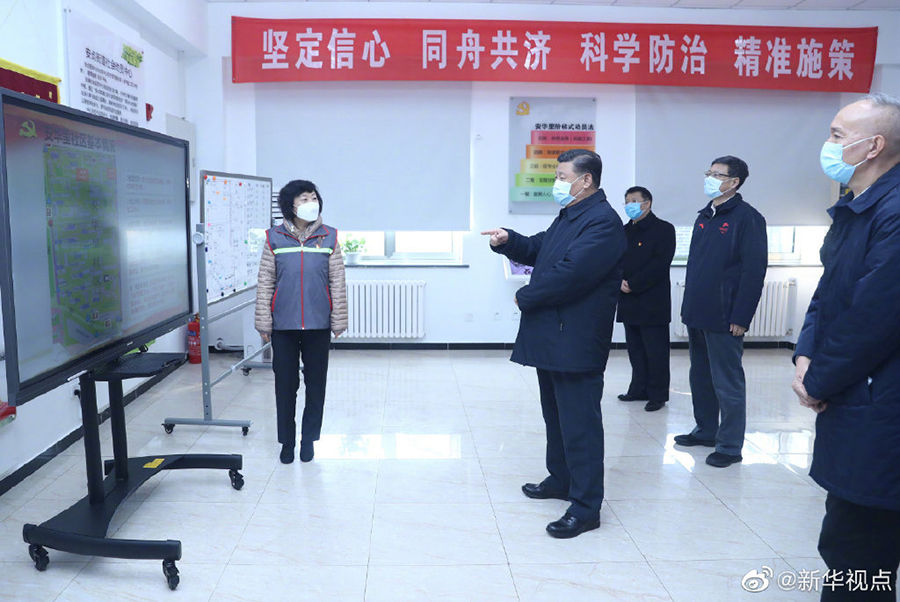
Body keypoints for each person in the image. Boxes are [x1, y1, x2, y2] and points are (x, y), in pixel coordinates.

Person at [482, 149, 626, 539]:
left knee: (580, 424)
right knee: (556, 416)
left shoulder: (603, 222)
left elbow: (571, 273)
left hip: (576, 338)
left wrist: (525, 296)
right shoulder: (572, 214)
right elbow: (541, 248)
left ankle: (586, 507)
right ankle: (561, 479)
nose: (556, 183)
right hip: (555, 335)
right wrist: (509, 240)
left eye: (562, 176)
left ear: (586, 180)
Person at [792, 93, 900, 601]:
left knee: (858, 548)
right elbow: (829, 290)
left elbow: (872, 318)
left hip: (881, 405)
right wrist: (804, 354)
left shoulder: (893, 211)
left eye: (837, 135)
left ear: (873, 146)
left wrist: (817, 381)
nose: (828, 144)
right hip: (855, 395)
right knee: (847, 537)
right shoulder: (857, 207)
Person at [674, 155, 767, 468]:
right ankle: (706, 430)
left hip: (725, 315)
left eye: (717, 175)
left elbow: (754, 271)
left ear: (734, 182)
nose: (710, 178)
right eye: (709, 173)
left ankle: (729, 446)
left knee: (727, 382)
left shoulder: (747, 218)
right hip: (698, 311)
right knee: (700, 376)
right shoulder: (705, 215)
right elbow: (696, 265)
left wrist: (741, 316)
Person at [255, 180, 348, 464]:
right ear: (290, 205)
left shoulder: (329, 237)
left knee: (316, 385)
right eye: (304, 198)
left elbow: (338, 282)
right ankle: (287, 442)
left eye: (313, 197)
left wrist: (338, 319)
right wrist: (263, 321)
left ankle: (309, 440)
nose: (311, 202)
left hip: (318, 325)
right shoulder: (274, 238)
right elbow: (265, 282)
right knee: (285, 386)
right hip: (283, 325)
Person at [615, 186, 676, 412]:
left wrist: (634, 283)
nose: (629, 205)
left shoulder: (663, 229)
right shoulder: (623, 231)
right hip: (628, 300)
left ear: (647, 203)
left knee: (655, 351)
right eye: (626, 201)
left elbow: (660, 264)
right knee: (635, 350)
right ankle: (638, 389)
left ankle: (658, 394)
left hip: (652, 301)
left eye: (634, 200)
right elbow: (614, 259)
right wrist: (619, 280)